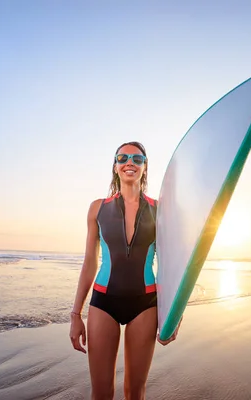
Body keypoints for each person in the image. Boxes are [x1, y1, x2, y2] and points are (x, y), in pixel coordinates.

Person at [69, 141, 179, 399]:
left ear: (144, 167)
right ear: (116, 167)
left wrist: (173, 315)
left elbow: (170, 266)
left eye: (137, 159)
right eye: (123, 158)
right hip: (103, 302)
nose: (130, 162)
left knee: (135, 392)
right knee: (101, 392)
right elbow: (89, 263)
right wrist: (75, 314)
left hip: (145, 303)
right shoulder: (98, 208)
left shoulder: (160, 209)